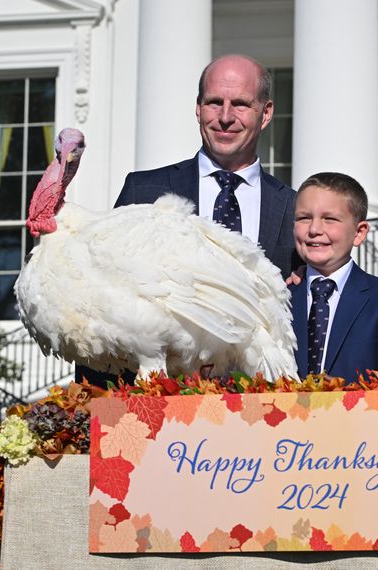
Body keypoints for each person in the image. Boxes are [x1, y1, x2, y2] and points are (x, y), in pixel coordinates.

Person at [76, 54, 299, 386]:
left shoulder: (294, 209)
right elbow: (99, 303)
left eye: (240, 104)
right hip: (155, 403)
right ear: (198, 108)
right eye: (214, 102)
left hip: (263, 404)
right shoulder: (144, 191)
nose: (225, 117)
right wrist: (94, 405)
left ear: (265, 113)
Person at [290, 172, 378, 382]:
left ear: (359, 233)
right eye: (304, 218)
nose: (314, 229)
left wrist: (342, 394)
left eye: (330, 219)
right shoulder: (276, 298)